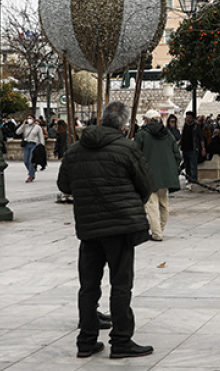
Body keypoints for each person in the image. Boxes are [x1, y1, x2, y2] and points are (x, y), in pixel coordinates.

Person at [57, 101, 154, 359]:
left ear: (102, 120)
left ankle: (86, 341)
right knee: (121, 284)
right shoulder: (127, 148)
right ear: (123, 124)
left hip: (89, 227)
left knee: (88, 285)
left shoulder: (75, 150)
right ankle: (121, 340)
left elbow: (64, 185)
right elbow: (146, 185)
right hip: (120, 227)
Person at [134, 110, 182, 242]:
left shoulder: (142, 135)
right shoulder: (168, 134)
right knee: (164, 204)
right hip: (165, 176)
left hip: (148, 175)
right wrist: (173, 170)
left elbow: (135, 155)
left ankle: (157, 233)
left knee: (152, 205)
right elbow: (177, 155)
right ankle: (160, 228)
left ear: (147, 120)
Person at [15, 114, 46, 183]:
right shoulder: (25, 127)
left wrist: (42, 146)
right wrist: (23, 125)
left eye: (30, 118)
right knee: (26, 161)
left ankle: (31, 175)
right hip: (27, 144)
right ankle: (32, 171)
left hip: (34, 144)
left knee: (31, 160)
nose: (29, 120)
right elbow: (17, 132)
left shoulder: (37, 127)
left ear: (34, 119)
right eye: (28, 118)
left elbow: (41, 137)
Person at [180, 111, 204, 183]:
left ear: (192, 118)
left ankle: (194, 180)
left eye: (189, 118)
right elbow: (183, 136)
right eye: (187, 117)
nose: (188, 119)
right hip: (185, 149)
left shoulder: (196, 127)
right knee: (187, 166)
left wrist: (203, 149)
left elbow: (201, 139)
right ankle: (188, 179)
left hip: (193, 149)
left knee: (193, 166)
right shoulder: (185, 126)